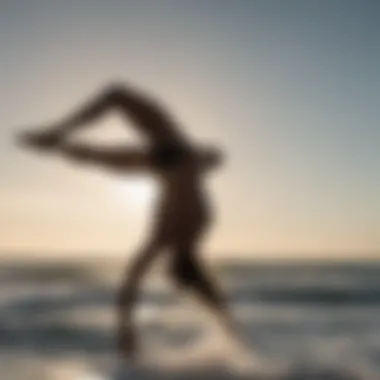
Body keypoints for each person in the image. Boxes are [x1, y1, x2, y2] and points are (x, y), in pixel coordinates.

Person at [17, 82, 238, 361]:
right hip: (169, 154)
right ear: (177, 263)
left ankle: (55, 139)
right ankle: (55, 139)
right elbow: (131, 282)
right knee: (108, 118)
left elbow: (133, 280)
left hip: (166, 156)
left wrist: (126, 329)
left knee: (105, 122)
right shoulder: (176, 233)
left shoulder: (189, 229)